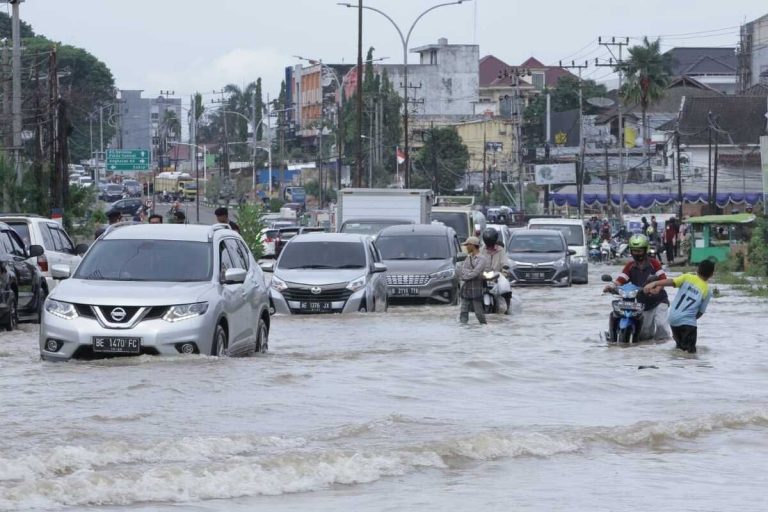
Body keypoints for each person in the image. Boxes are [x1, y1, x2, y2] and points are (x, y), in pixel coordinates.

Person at [603, 234, 671, 341]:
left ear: (645, 250)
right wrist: (611, 286)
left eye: (639, 251)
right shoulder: (630, 266)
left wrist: (657, 288)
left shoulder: (654, 263)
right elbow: (621, 279)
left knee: (661, 325)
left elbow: (663, 279)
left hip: (659, 301)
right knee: (644, 336)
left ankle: (663, 346)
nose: (637, 253)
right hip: (642, 304)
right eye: (634, 251)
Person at [643, 259, 715, 353]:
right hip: (688, 323)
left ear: (697, 269)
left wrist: (655, 283)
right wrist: (689, 319)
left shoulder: (687, 277)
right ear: (711, 274)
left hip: (673, 320)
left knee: (679, 349)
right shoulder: (707, 291)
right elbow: (700, 312)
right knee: (690, 354)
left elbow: (670, 282)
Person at [480, 227, 512, 313]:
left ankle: (508, 309)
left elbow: (504, 263)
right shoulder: (482, 250)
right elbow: (477, 261)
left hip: (497, 276)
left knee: (506, 289)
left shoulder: (500, 250)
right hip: (483, 275)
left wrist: (505, 271)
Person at [459, 236, 488, 325]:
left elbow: (476, 272)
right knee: (463, 311)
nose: (466, 247)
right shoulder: (468, 258)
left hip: (476, 288)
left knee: (478, 312)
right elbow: (463, 270)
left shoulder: (482, 259)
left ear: (472, 245)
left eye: (467, 245)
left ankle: (484, 326)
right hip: (466, 288)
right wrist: (468, 274)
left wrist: (466, 276)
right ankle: (463, 328)